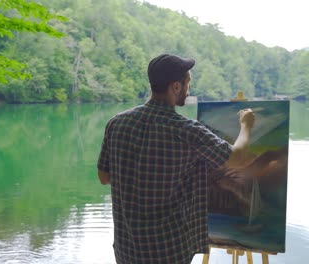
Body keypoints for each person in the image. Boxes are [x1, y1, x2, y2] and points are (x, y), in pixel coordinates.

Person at [97, 53, 255, 264]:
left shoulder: (116, 124)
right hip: (169, 251)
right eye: (187, 83)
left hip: (128, 250)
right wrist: (246, 125)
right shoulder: (186, 130)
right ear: (176, 87)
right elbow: (239, 158)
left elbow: (104, 176)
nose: (189, 89)